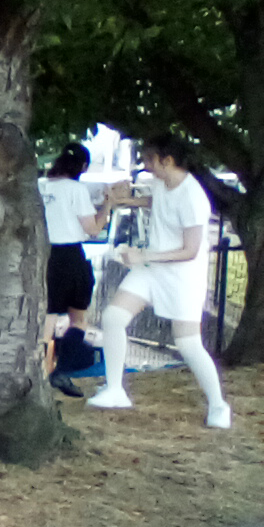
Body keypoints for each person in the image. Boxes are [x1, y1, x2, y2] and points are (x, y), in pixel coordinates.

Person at [87, 134, 230, 428]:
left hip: (182, 278)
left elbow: (190, 251)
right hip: (152, 268)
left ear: (167, 160)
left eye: (149, 159)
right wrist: (125, 200)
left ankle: (218, 405)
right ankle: (115, 390)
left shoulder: (193, 196)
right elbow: (158, 202)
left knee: (188, 344)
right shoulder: (162, 183)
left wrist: (144, 256)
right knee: (113, 317)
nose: (145, 164)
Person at [38, 143, 123, 397]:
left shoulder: (40, 186)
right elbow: (93, 229)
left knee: (48, 318)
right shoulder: (76, 189)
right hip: (70, 254)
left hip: (43, 253)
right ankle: (61, 371)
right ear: (83, 166)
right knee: (78, 318)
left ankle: (40, 374)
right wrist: (108, 206)